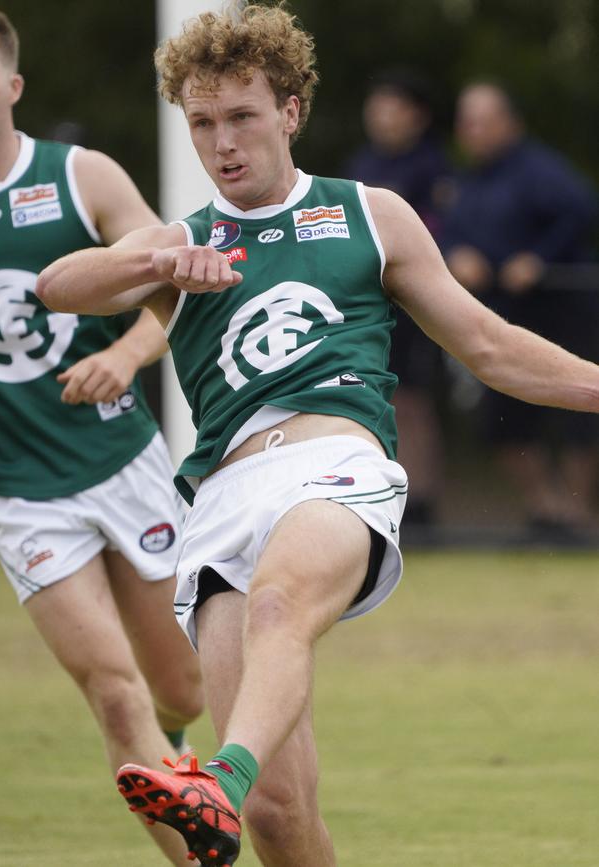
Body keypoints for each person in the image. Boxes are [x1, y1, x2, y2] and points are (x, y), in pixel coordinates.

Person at [37, 5, 599, 866]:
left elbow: (488, 345)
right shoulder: (183, 243)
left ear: (290, 112)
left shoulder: (370, 213)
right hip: (222, 499)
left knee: (279, 607)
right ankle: (235, 790)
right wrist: (155, 260)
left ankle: (211, 781)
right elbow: (57, 284)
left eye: (243, 117)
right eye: (203, 123)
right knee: (277, 815)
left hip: (335, 466)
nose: (223, 142)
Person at [0, 8, 204, 865]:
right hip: (19, 490)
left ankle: (180, 754)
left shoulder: (80, 177)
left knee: (182, 686)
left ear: (12, 86)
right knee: (113, 689)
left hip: (123, 460)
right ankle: (199, 856)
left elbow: (170, 285)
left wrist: (128, 355)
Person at [441, 81, 599, 537]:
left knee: (578, 411)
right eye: (465, 121)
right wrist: (455, 252)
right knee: (502, 421)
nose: (470, 130)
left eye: (480, 120)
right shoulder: (464, 180)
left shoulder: (542, 170)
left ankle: (576, 515)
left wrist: (539, 258)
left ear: (509, 123)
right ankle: (545, 508)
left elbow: (580, 211)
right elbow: (446, 233)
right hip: (501, 317)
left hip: (562, 309)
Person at [344, 69, 452, 531]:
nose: (380, 115)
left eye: (392, 105)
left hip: (413, 302)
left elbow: (444, 228)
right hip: (372, 302)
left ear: (416, 115)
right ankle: (381, 496)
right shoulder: (360, 163)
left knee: (415, 400)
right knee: (374, 396)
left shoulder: (433, 166)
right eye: (376, 103)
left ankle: (423, 500)